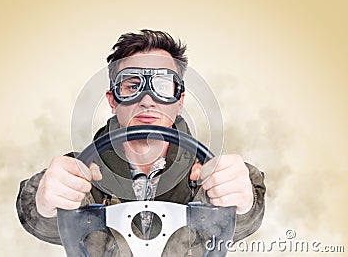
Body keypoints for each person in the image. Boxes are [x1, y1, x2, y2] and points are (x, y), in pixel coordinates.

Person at [16, 29, 266, 256]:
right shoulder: (80, 171)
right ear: (113, 100)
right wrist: (44, 203)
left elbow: (245, 218)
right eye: (133, 86)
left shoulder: (212, 172)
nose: (148, 100)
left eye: (162, 86)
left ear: (179, 101)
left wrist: (242, 204)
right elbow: (40, 218)